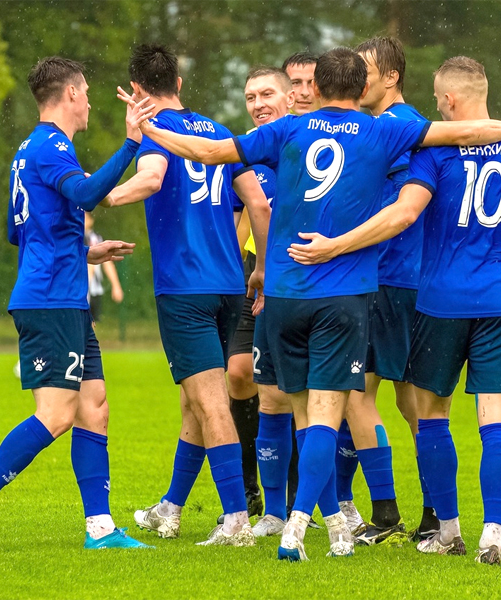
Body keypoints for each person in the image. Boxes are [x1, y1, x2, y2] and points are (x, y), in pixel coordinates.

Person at [124, 47, 501, 562]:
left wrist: (150, 129)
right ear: (360, 87)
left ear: (315, 89)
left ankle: (304, 519)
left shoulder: (287, 130)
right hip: (352, 295)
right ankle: (316, 525)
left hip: (286, 293)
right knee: (334, 414)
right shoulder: (385, 131)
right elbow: (466, 133)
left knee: (298, 410)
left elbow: (211, 153)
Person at [287, 55, 501, 566]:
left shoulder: (434, 153)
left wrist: (336, 245)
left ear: (448, 100)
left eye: (436, 97)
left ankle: (447, 530)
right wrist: (497, 268)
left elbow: (404, 214)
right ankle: (492, 536)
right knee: (494, 417)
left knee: (431, 415)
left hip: (440, 300)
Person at [0, 56, 146, 551]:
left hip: (64, 295)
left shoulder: (28, 149)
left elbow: (22, 231)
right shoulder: (52, 145)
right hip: (50, 299)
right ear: (71, 93)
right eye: (87, 92)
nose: (90, 102)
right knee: (57, 414)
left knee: (94, 407)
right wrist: (131, 144)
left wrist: (86, 252)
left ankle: (100, 529)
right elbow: (87, 194)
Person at [104, 44, 271, 547]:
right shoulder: (218, 131)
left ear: (137, 89)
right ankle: (171, 509)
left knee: (211, 404)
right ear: (178, 82)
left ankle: (236, 520)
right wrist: (261, 268)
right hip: (228, 286)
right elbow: (259, 203)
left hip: (185, 289)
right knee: (196, 401)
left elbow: (152, 178)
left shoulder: (157, 130)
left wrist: (101, 195)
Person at [330, 36, 431, 546]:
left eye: (365, 71)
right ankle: (434, 514)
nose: (358, 80)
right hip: (411, 279)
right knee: (412, 402)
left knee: (358, 394)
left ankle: (388, 512)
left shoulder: (391, 125)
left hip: (387, 277)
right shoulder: (409, 125)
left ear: (391, 77)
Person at [225, 66, 301, 537]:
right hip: (253, 280)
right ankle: (250, 487)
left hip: (296, 281)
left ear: (289, 98)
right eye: (250, 96)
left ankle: (292, 497)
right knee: (238, 373)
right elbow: (242, 221)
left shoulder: (304, 146)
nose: (258, 104)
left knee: (285, 391)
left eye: (266, 94)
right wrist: (233, 274)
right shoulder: (246, 152)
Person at [85, 212, 125, 323]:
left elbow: (107, 262)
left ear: (91, 221)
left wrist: (116, 285)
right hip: (78, 287)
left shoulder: (95, 239)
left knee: (91, 323)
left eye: (85, 217)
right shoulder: (73, 237)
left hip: (93, 288)